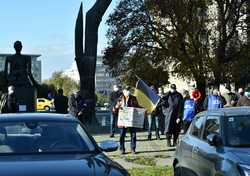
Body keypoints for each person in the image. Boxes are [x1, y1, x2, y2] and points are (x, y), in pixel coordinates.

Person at [114, 86, 139, 154]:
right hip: (123, 120)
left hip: (131, 119)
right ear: (123, 91)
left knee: (133, 135)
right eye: (126, 90)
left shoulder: (133, 98)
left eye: (129, 90)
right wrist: (116, 107)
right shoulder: (119, 99)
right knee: (122, 135)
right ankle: (122, 149)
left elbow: (137, 107)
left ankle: (133, 149)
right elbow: (115, 110)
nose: (128, 92)